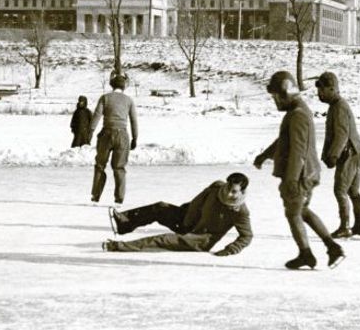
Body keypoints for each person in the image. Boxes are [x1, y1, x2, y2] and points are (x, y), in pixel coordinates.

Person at [253, 71, 344, 270]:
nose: (275, 101)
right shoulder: (296, 112)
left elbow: (298, 150)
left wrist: (292, 180)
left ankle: (307, 254)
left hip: (302, 175)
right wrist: (264, 155)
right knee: (301, 211)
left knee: (293, 213)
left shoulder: (298, 115)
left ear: (285, 93)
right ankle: (331, 247)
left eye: (276, 96)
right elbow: (284, 141)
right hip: (303, 173)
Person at [103, 172, 252, 256]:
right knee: (160, 207)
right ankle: (123, 223)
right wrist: (183, 214)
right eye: (228, 188)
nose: (228, 193)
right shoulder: (217, 187)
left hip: (198, 240)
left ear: (242, 192)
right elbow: (198, 201)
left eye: (234, 192)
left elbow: (247, 236)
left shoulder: (240, 212)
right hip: (186, 219)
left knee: (161, 239)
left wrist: (230, 250)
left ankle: (117, 247)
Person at [316, 71, 360, 238]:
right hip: (357, 151)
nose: (320, 94)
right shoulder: (337, 105)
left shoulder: (338, 107)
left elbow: (342, 135)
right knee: (353, 192)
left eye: (322, 90)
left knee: (340, 190)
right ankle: (358, 226)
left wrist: (333, 155)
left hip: (349, 153)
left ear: (332, 89)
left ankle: (345, 227)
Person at [89, 72, 138, 205]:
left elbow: (96, 116)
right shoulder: (129, 100)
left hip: (106, 134)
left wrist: (90, 132)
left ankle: (95, 196)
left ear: (112, 85)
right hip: (122, 135)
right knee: (119, 167)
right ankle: (119, 198)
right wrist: (135, 138)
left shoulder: (105, 98)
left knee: (100, 165)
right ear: (124, 87)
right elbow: (134, 121)